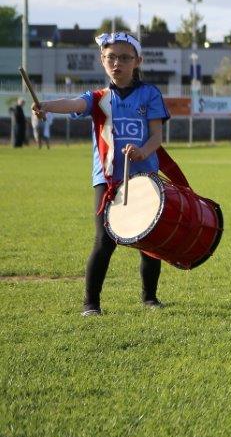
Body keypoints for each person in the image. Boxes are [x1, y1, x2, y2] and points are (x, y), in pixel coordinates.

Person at [32, 33, 168, 315]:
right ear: (102, 61)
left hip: (145, 179)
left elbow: (157, 136)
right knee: (104, 242)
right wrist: (45, 105)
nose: (117, 63)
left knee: (150, 242)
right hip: (107, 180)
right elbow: (73, 103)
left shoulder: (150, 94)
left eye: (125, 58)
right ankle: (91, 304)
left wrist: (143, 151)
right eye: (111, 58)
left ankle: (150, 298)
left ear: (138, 61)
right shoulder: (98, 98)